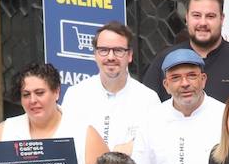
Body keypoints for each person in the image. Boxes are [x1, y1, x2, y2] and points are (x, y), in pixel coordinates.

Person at [141, 0, 229, 102]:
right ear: (187, 18)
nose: (203, 22)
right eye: (196, 15)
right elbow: (147, 110)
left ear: (221, 19)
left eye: (210, 16)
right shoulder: (165, 61)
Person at [61, 21, 160, 154]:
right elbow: (66, 145)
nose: (111, 57)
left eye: (118, 50)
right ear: (95, 54)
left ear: (130, 55)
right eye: (104, 50)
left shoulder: (148, 99)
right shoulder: (75, 95)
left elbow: (156, 148)